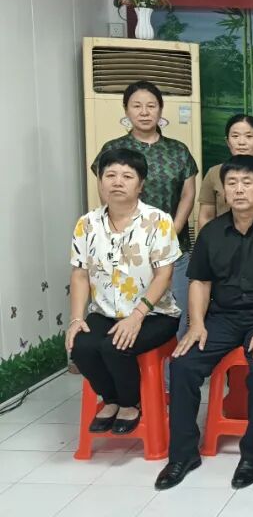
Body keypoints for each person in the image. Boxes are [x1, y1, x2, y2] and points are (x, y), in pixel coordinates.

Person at [155, 156, 253, 490]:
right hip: (223, 316)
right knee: (183, 364)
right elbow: (200, 282)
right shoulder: (211, 233)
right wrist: (196, 324)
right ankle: (182, 455)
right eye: (232, 183)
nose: (239, 190)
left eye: (247, 183)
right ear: (222, 190)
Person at [68, 148, 181, 435]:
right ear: (100, 181)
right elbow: (80, 274)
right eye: (110, 175)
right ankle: (112, 399)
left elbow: (164, 275)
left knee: (114, 347)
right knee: (80, 346)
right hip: (104, 311)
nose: (117, 182)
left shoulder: (158, 220)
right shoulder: (87, 224)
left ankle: (131, 403)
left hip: (155, 314)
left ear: (140, 185)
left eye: (127, 176)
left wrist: (136, 316)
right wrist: (76, 318)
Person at [93, 81, 197, 326]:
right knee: (127, 314)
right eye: (136, 106)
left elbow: (188, 195)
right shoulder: (113, 149)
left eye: (151, 106)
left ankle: (175, 353)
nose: (144, 112)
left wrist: (171, 231)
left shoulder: (178, 150)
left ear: (160, 110)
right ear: (126, 110)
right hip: (126, 247)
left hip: (173, 245)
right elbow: (107, 194)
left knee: (177, 314)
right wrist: (129, 232)